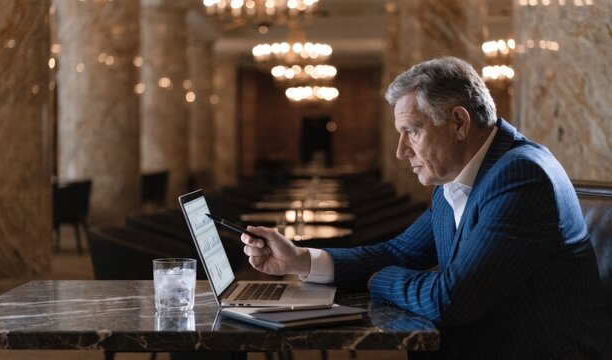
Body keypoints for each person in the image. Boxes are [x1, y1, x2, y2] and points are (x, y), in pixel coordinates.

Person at [241, 56, 612, 359]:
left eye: (412, 132)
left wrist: (378, 279)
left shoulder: (521, 175)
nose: (401, 151)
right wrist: (298, 260)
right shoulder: (457, 177)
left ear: (458, 122)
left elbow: (450, 299)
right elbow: (398, 251)